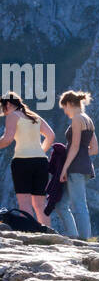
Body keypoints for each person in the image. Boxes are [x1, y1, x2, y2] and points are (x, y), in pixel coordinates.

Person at [0, 91, 54, 225]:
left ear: (8, 104)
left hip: (22, 161)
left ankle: (29, 232)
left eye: (3, 108)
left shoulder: (13, 115)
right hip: (41, 161)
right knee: (40, 205)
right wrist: (40, 151)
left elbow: (7, 139)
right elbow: (51, 135)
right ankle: (47, 235)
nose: (3, 112)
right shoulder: (34, 116)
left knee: (25, 203)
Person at [56, 90, 98, 239]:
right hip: (85, 167)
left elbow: (74, 146)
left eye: (64, 108)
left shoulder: (77, 120)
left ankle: (84, 240)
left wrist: (64, 168)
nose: (65, 112)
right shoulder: (88, 120)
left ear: (69, 104)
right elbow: (94, 149)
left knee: (79, 205)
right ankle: (74, 237)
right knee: (61, 204)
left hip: (75, 168)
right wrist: (81, 152)